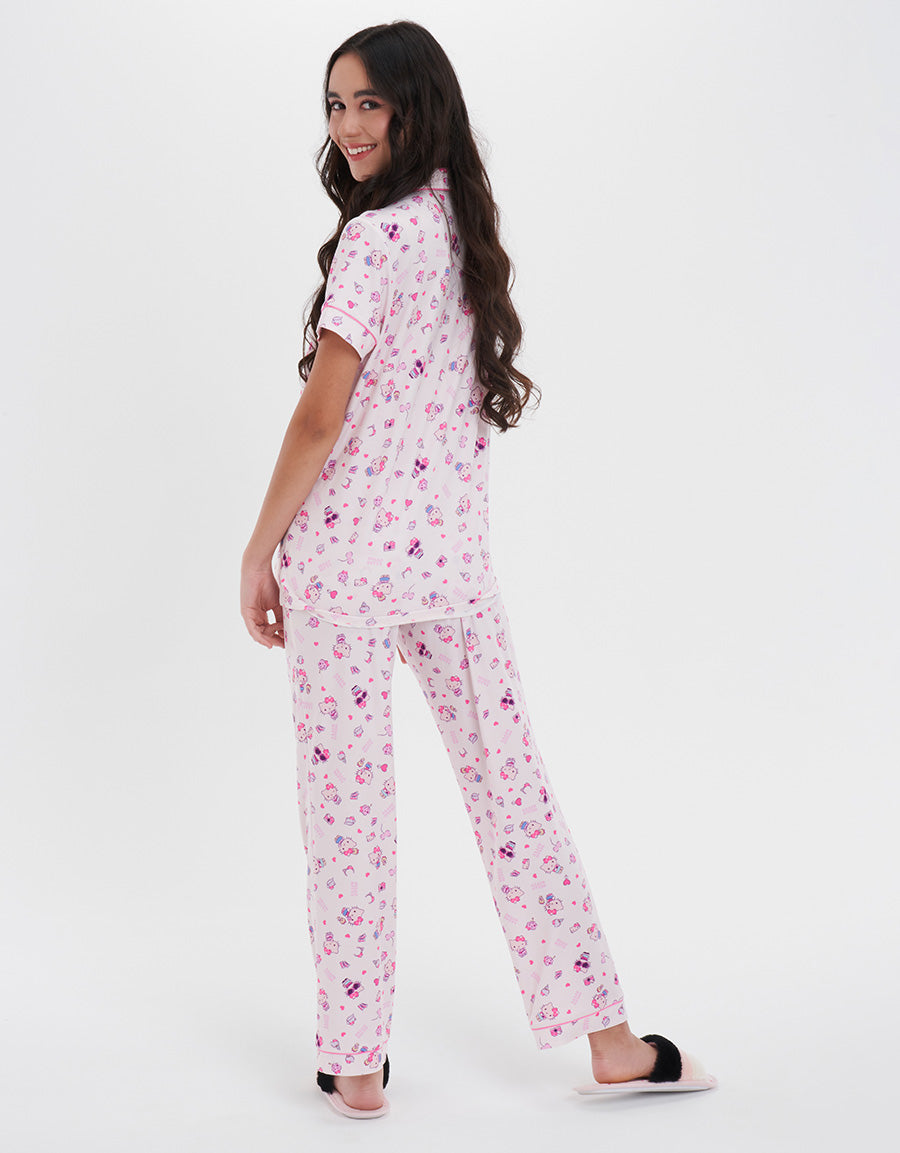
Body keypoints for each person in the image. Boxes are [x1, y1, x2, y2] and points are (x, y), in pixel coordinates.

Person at [240, 20, 715, 1119]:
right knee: (512, 790)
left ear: (418, 106)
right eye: (334, 105)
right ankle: (610, 1040)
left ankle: (356, 1063)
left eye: (369, 103)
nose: (348, 126)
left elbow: (320, 417)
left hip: (346, 569)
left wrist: (259, 548)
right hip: (446, 561)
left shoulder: (374, 242)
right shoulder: (460, 220)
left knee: (349, 812)